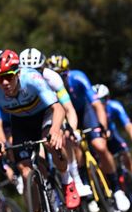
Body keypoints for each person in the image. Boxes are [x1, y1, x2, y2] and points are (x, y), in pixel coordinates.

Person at [0, 49, 80, 212]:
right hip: (20, 123)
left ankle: (67, 181)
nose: (4, 82)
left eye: (9, 76)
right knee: (26, 172)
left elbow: (58, 109)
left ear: (18, 73)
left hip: (45, 115)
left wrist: (56, 130)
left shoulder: (33, 78)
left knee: (51, 142)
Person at [46, 54, 130, 212]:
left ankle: (117, 190)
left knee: (100, 146)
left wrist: (102, 128)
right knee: (70, 142)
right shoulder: (50, 86)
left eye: (62, 75)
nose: (61, 79)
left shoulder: (78, 77)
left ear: (68, 72)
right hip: (66, 113)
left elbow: (97, 105)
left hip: (85, 111)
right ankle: (84, 183)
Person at [19, 48, 92, 198]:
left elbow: (68, 109)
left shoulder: (52, 78)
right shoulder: (18, 82)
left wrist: (71, 129)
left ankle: (75, 178)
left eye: (37, 70)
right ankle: (50, 200)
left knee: (64, 137)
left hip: (52, 113)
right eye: (28, 70)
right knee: (38, 159)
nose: (33, 75)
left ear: (43, 68)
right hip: (32, 118)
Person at [93, 84, 132, 173]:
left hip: (112, 133)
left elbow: (128, 125)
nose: (101, 103)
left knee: (125, 154)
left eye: (103, 99)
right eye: (98, 100)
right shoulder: (91, 111)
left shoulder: (114, 106)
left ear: (108, 98)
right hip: (99, 135)